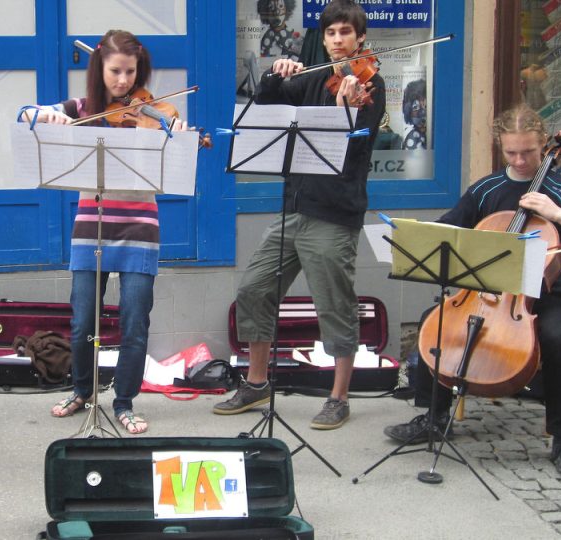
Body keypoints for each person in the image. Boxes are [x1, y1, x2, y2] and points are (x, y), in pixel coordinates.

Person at [383, 104, 561, 477]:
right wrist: (421, 235)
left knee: (557, 338)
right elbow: (450, 230)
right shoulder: (487, 189)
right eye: (512, 152)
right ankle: (434, 416)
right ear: (501, 147)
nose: (521, 160)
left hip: (542, 298)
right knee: (438, 320)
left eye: (528, 151)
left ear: (544, 145)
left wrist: (559, 215)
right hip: (483, 294)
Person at [213, 0, 385, 430]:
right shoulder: (312, 78)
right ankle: (256, 383)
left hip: (334, 212)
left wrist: (350, 107)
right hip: (293, 208)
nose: (338, 41)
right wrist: (275, 74)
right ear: (323, 38)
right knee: (254, 288)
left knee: (334, 305)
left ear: (360, 37)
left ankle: (339, 395)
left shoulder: (371, 84)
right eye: (331, 34)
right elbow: (267, 108)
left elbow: (358, 148)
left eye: (346, 33)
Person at [19, 29, 189, 435]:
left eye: (131, 72)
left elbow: (176, 149)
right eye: (115, 72)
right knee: (82, 323)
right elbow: (24, 114)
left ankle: (125, 401)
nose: (124, 82)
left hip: (140, 229)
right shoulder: (82, 108)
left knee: (134, 323)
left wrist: (177, 135)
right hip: (90, 228)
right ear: (100, 69)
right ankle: (81, 390)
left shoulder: (156, 114)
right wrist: (48, 115)